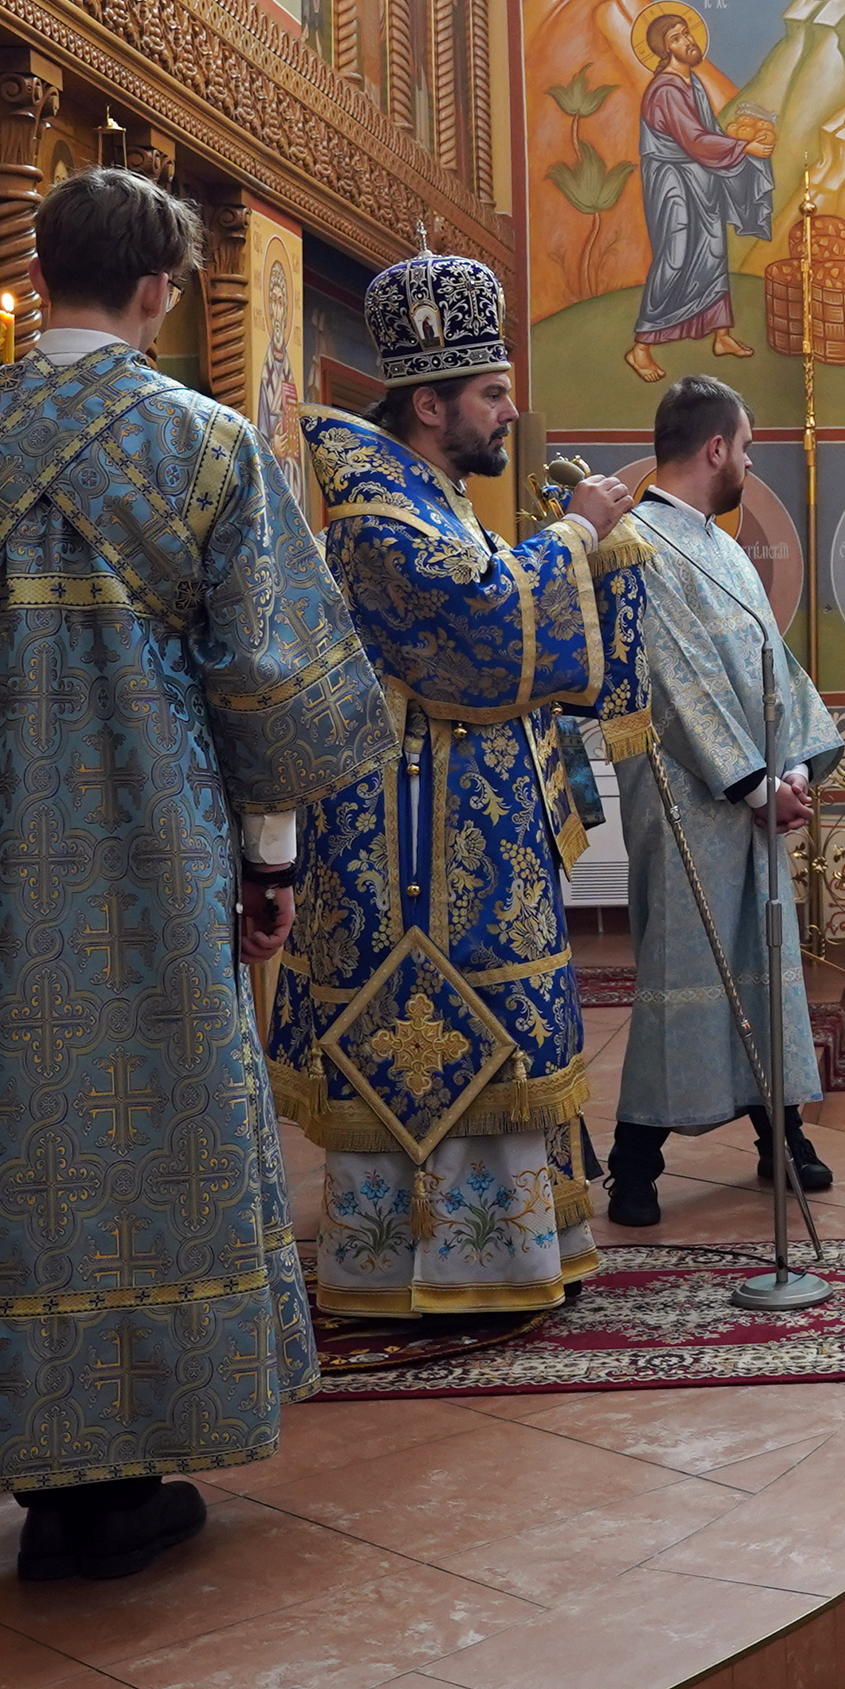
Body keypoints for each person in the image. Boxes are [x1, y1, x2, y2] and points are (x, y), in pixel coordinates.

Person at [0, 169, 388, 1579]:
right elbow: (264, 676)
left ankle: (34, 1462)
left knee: (10, 1134)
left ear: (41, 275)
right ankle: (141, 1448)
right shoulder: (207, 445)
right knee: (162, 1126)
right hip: (162, 852)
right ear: (156, 290)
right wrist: (272, 857)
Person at [274, 254, 649, 1319]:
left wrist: (586, 550)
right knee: (444, 1028)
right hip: (412, 848)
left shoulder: (431, 501)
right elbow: (482, 629)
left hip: (465, 836)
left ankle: (503, 1254)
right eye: (491, 393)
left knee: (503, 1030)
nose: (509, 411)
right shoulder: (378, 516)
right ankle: (428, 1263)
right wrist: (576, 532)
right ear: (430, 405)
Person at [612, 378, 845, 1225]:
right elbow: (675, 681)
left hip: (756, 798)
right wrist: (754, 784)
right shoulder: (635, 543)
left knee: (764, 968)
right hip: (688, 800)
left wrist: (797, 768)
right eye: (746, 447)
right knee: (686, 969)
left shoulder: (726, 547)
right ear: (716, 448)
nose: (748, 462)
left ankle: (781, 1134)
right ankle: (634, 1160)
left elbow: (771, 664)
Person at [632, 6, 775, 380]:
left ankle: (721, 334)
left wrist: (740, 140)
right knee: (676, 253)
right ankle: (640, 347)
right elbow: (693, 139)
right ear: (666, 49)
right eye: (676, 37)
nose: (687, 41)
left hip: (699, 176)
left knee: (712, 248)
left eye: (686, 32)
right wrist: (743, 148)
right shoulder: (665, 89)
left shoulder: (691, 82)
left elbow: (706, 132)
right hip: (672, 180)